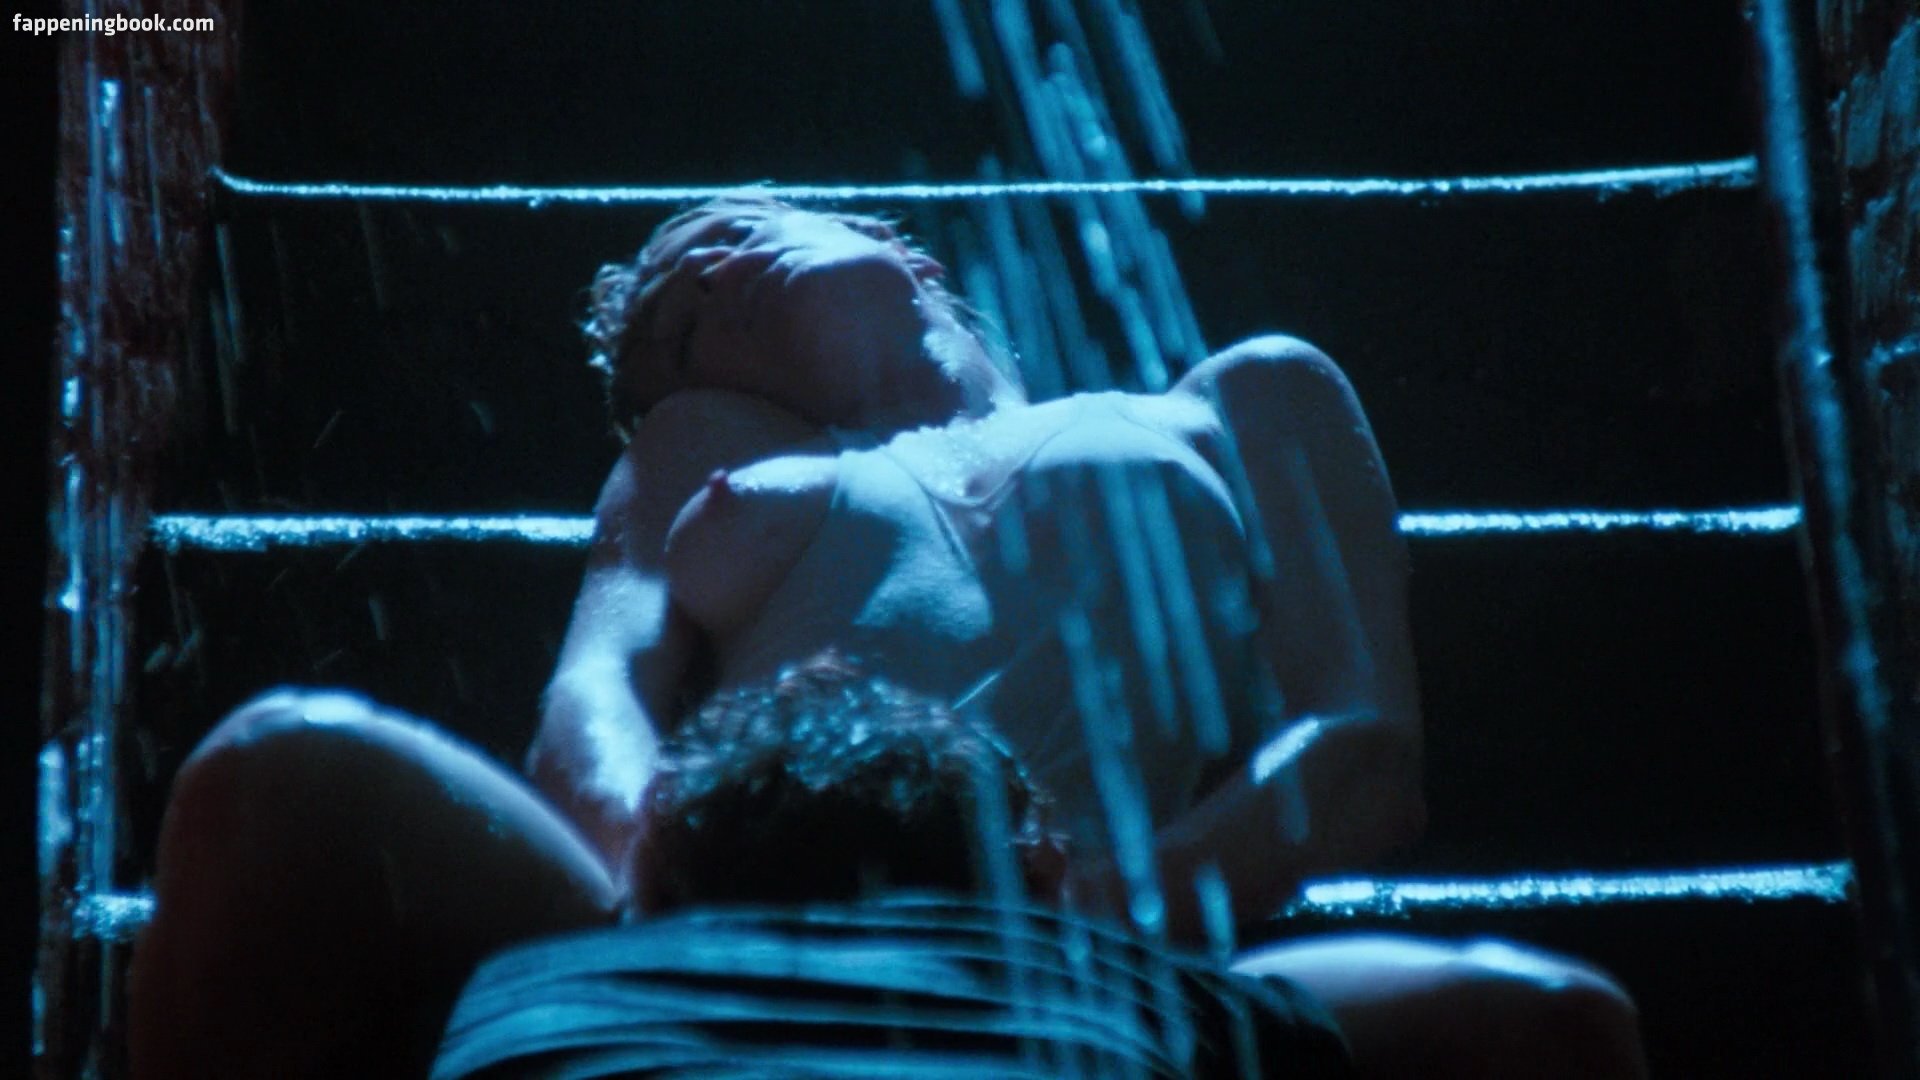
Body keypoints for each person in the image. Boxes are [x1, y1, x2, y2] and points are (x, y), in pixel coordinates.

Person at [128, 195, 1637, 1078]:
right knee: (282, 774)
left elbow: (1364, 756)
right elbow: (593, 697)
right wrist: (669, 872)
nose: (700, 289)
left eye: (725, 243)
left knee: (1549, 1026)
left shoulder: (1245, 398)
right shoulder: (706, 453)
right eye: (677, 336)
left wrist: (1100, 914)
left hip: (1089, 934)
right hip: (712, 910)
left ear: (895, 251)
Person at [435, 652, 1637, 1079]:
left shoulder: (524, 998)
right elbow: (1557, 1011)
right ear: (1047, 875)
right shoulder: (1121, 996)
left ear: (646, 891)